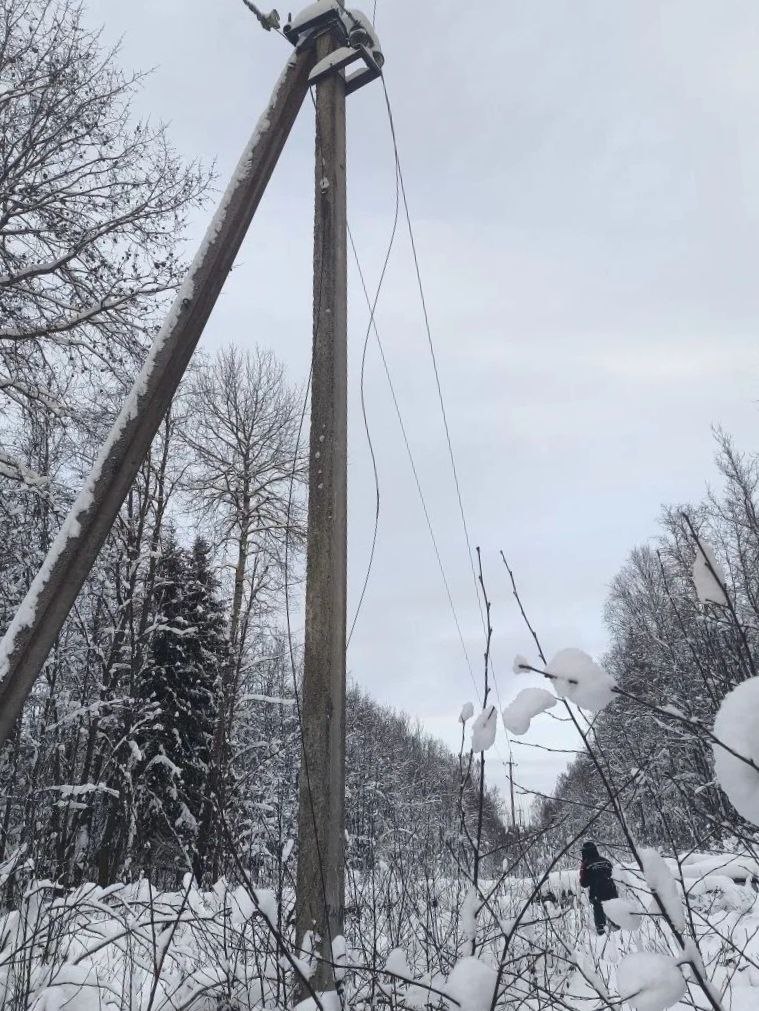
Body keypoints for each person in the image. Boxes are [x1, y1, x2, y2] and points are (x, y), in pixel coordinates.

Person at [579, 840, 618, 934]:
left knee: (599, 915)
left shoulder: (586, 864)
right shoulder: (606, 861)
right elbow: (615, 876)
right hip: (612, 891)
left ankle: (601, 933)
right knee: (615, 914)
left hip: (597, 893)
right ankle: (619, 931)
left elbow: (584, 883)